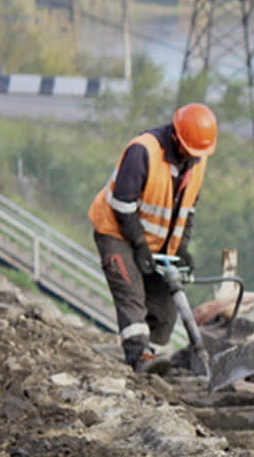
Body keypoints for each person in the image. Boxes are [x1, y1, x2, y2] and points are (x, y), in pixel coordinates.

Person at [88, 103, 218, 373]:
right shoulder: (143, 151)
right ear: (176, 137)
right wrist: (139, 245)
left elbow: (188, 209)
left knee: (165, 307)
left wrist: (180, 248)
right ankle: (139, 356)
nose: (194, 157)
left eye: (199, 153)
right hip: (116, 232)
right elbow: (122, 204)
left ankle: (155, 357)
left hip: (155, 243)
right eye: (190, 151)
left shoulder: (197, 160)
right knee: (131, 292)